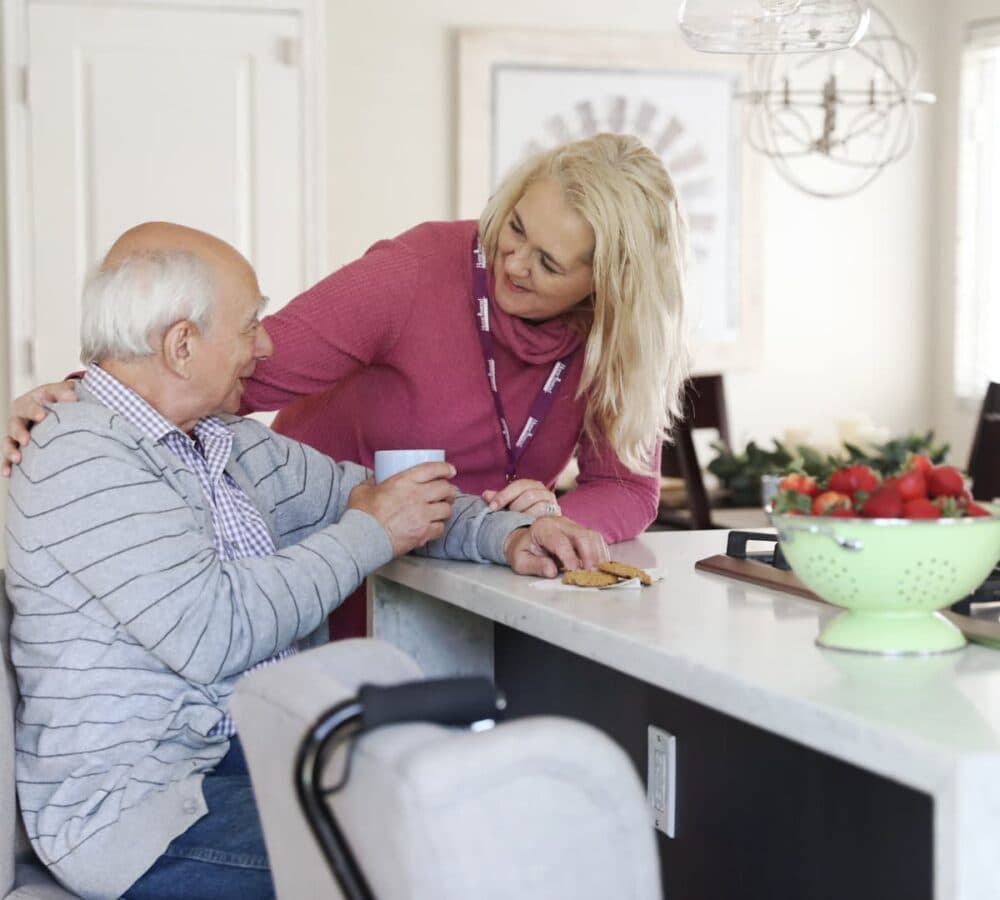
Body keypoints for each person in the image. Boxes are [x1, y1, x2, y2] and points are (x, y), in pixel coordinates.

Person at [4, 223, 606, 900]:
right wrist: (369, 531)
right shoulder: (83, 457)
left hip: (246, 761)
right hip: (144, 815)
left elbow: (376, 498)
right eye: (251, 324)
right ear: (181, 345)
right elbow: (215, 630)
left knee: (483, 814)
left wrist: (509, 536)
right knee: (442, 851)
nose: (264, 346)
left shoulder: (225, 441)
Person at [4, 132, 689, 632]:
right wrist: (88, 398)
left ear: (605, 287)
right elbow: (239, 365)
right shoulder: (415, 272)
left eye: (548, 261)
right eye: (514, 227)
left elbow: (626, 487)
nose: (512, 261)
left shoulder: (616, 339)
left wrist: (549, 525)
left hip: (478, 561)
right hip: (328, 563)